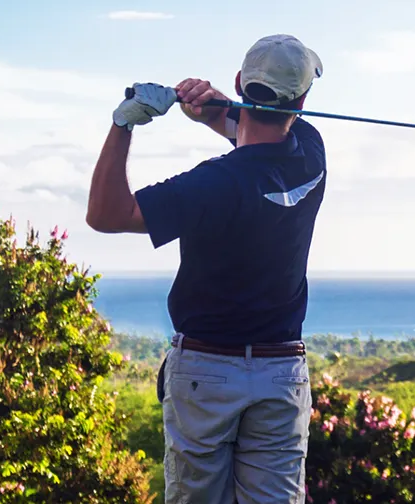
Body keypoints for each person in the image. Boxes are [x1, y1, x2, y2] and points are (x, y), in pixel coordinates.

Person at [85, 34, 326, 504]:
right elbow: (253, 132)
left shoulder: (212, 183)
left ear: (240, 83)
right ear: (302, 99)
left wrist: (123, 125)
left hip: (205, 370)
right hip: (281, 372)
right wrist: (214, 111)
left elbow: (106, 214)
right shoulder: (311, 152)